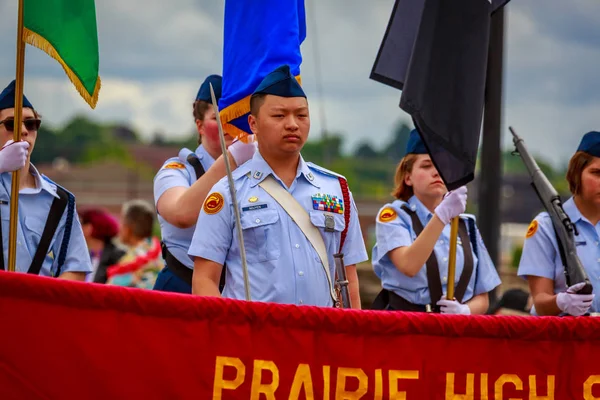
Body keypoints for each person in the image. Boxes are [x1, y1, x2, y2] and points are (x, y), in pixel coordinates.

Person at [189, 65, 368, 308]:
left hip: (321, 339)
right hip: (255, 339)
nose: (293, 124)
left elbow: (349, 278)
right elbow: (204, 279)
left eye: (301, 115)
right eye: (279, 116)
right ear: (253, 123)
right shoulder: (228, 192)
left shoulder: (336, 189)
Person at [370, 129, 501, 313]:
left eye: (442, 166)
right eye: (426, 166)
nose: (436, 173)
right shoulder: (394, 216)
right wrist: (443, 215)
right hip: (407, 326)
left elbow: (483, 297)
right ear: (408, 177)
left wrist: (465, 311)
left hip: (453, 331)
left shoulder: (465, 225)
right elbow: (408, 265)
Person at [153, 75, 257, 293]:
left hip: (240, 289)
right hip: (183, 285)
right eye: (219, 117)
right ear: (199, 126)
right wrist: (231, 159)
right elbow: (180, 214)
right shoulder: (179, 171)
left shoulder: (257, 173)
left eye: (236, 116)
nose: (228, 125)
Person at [0, 80, 91, 280]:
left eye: (31, 123)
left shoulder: (59, 200)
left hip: (32, 306)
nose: (23, 130)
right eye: (11, 123)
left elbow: (75, 267)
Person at [518, 131, 600, 316]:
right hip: (562, 339)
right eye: (596, 173)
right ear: (576, 174)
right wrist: (562, 302)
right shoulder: (547, 227)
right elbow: (540, 302)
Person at [106, 200, 164, 289]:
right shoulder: (162, 252)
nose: (119, 226)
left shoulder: (131, 260)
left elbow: (108, 291)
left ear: (128, 227)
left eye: (122, 221)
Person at [79, 208, 125, 283]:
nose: (79, 227)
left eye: (82, 224)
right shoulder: (86, 255)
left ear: (90, 227)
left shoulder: (116, 255)